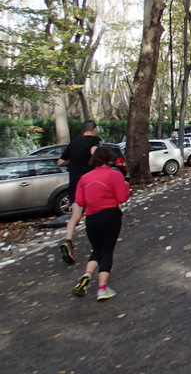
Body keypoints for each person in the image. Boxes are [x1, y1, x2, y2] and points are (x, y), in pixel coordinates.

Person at [71, 147, 130, 301]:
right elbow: (122, 198)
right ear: (109, 159)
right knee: (107, 250)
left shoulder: (84, 178)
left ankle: (87, 274)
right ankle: (102, 289)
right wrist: (126, 186)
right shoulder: (115, 174)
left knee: (96, 249)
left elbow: (80, 201)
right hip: (111, 215)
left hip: (92, 218)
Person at [58, 120, 102, 264]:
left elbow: (60, 162)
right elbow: (93, 152)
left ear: (82, 130)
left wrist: (74, 161)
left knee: (75, 216)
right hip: (89, 182)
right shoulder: (95, 140)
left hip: (74, 183)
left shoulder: (73, 143)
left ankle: (68, 241)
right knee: (92, 212)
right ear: (94, 129)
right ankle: (96, 244)